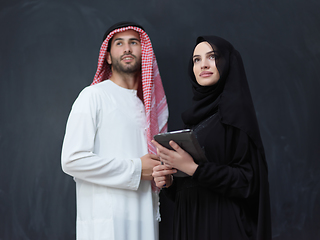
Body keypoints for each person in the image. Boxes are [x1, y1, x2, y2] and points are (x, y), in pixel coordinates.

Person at [152, 36, 271, 240]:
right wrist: (170, 182)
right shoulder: (193, 121)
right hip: (191, 222)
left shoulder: (235, 115)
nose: (203, 64)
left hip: (223, 225)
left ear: (227, 63)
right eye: (196, 59)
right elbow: (190, 187)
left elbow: (249, 182)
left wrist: (194, 168)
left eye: (212, 57)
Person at [61, 22, 168, 240]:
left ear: (144, 51)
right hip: (106, 224)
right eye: (119, 43)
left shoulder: (148, 109)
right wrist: (137, 168)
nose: (127, 48)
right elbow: (71, 160)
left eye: (133, 42)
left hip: (144, 221)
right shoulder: (93, 96)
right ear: (108, 56)